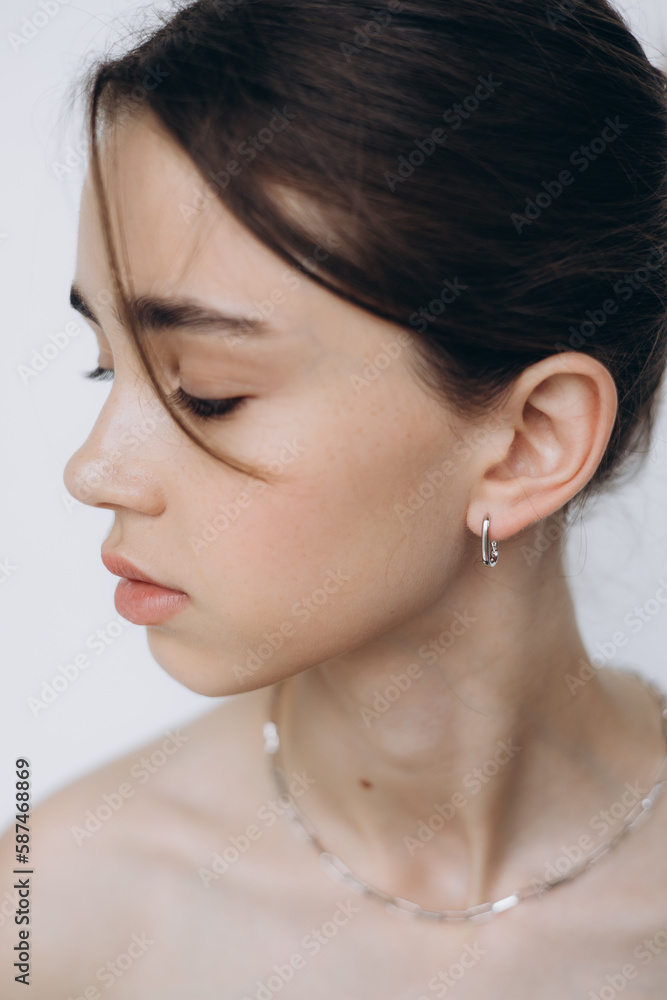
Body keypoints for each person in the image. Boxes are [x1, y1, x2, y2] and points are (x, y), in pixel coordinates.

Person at [3, 0, 667, 996]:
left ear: (530, 444)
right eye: (108, 368)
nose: (94, 470)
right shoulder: (60, 911)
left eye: (205, 391)